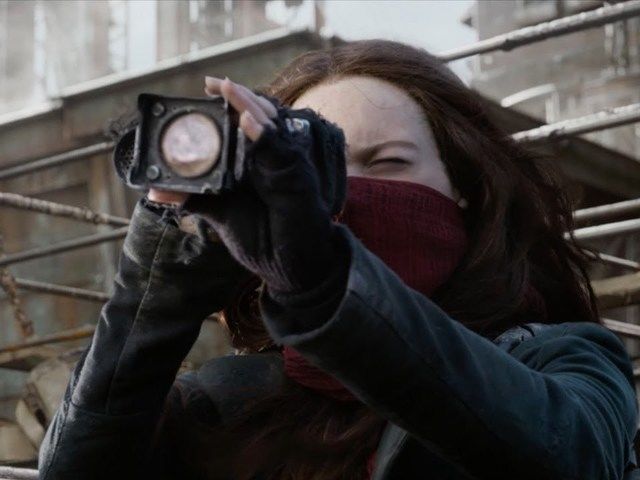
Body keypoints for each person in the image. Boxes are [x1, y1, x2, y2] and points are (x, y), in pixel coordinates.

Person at [38, 39, 638, 480]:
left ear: (467, 190)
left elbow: (570, 461)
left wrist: (326, 281)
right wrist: (161, 282)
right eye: (311, 174)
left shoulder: (560, 359)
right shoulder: (227, 401)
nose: (345, 196)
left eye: (387, 162)